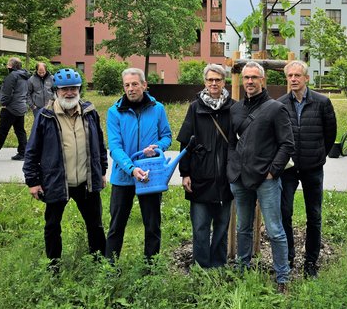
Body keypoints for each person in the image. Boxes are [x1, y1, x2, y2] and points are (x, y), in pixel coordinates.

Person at [23, 68, 107, 271]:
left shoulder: (89, 112)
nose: (69, 93)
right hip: (57, 182)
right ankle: (54, 266)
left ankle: (99, 262)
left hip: (86, 182)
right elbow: (32, 150)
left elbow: (100, 144)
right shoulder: (45, 116)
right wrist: (33, 181)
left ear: (79, 90)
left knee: (95, 225)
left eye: (73, 89)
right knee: (52, 226)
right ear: (56, 91)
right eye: (64, 89)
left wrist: (102, 171)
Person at [227, 61, 294, 293]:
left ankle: (283, 277)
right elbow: (230, 143)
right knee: (243, 227)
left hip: (266, 180)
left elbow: (287, 144)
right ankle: (242, 269)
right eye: (246, 77)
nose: (249, 82)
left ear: (262, 80)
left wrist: (272, 171)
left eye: (254, 77)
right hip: (240, 179)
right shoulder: (235, 109)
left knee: (275, 230)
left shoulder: (275, 108)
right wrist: (232, 169)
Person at [105, 68, 172, 265]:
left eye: (135, 84)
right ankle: (110, 268)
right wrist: (131, 169)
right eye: (127, 85)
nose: (131, 88)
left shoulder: (157, 108)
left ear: (144, 85)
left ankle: (150, 268)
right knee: (116, 225)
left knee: (152, 226)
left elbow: (166, 136)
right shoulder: (114, 111)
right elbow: (115, 147)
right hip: (124, 176)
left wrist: (158, 147)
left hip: (150, 176)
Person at [277, 60, 337, 278]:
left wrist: (320, 154)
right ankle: (289, 256)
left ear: (306, 78)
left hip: (313, 168)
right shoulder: (280, 104)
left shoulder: (322, 102)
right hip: (289, 169)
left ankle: (311, 261)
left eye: (297, 76)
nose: (293, 79)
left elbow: (330, 134)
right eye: (290, 76)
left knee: (314, 215)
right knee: (285, 212)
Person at [177, 64, 235, 268]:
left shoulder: (233, 107)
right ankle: (201, 266)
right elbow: (185, 143)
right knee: (200, 226)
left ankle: (218, 265)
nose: (214, 83)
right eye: (210, 80)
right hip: (200, 177)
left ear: (224, 82)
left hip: (225, 179)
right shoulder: (195, 108)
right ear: (204, 82)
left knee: (221, 226)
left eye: (218, 80)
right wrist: (185, 173)